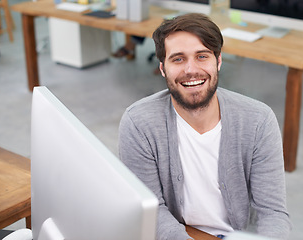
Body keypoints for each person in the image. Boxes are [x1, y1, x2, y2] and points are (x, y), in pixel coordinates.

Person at [119, 13, 291, 240]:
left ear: (218, 62)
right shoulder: (139, 123)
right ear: (163, 68)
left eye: (202, 56)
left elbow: (273, 212)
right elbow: (152, 209)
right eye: (178, 59)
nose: (191, 69)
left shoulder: (259, 120)